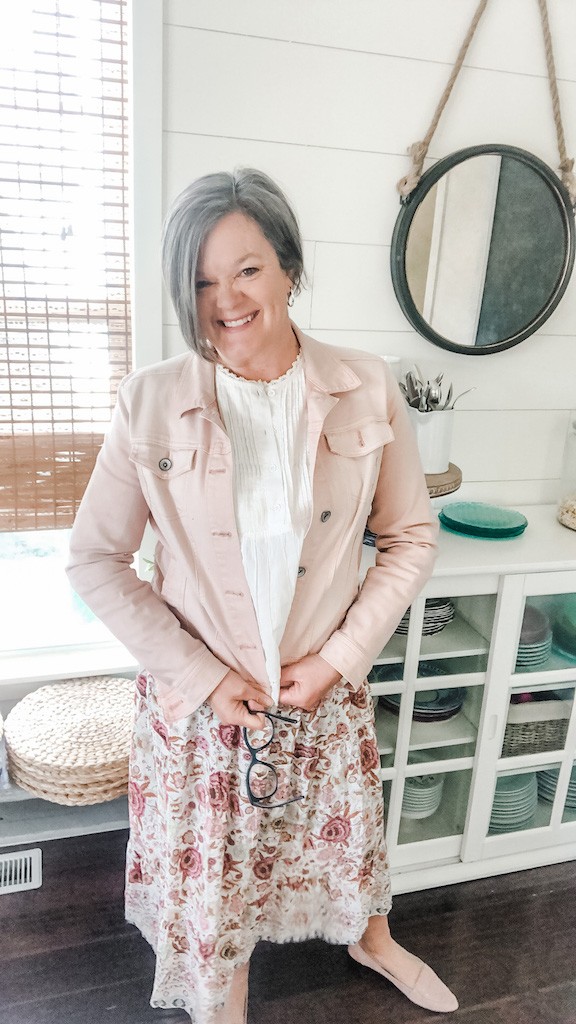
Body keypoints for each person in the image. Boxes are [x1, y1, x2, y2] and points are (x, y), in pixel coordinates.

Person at [66, 168, 458, 1023]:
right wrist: (206, 676)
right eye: (202, 281)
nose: (226, 299)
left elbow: (409, 539)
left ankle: (373, 938)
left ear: (288, 266)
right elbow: (95, 559)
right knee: (220, 885)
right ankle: (222, 996)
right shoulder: (150, 403)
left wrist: (339, 661)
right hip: (204, 709)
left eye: (246, 269)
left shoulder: (367, 385)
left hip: (323, 691)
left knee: (349, 843)